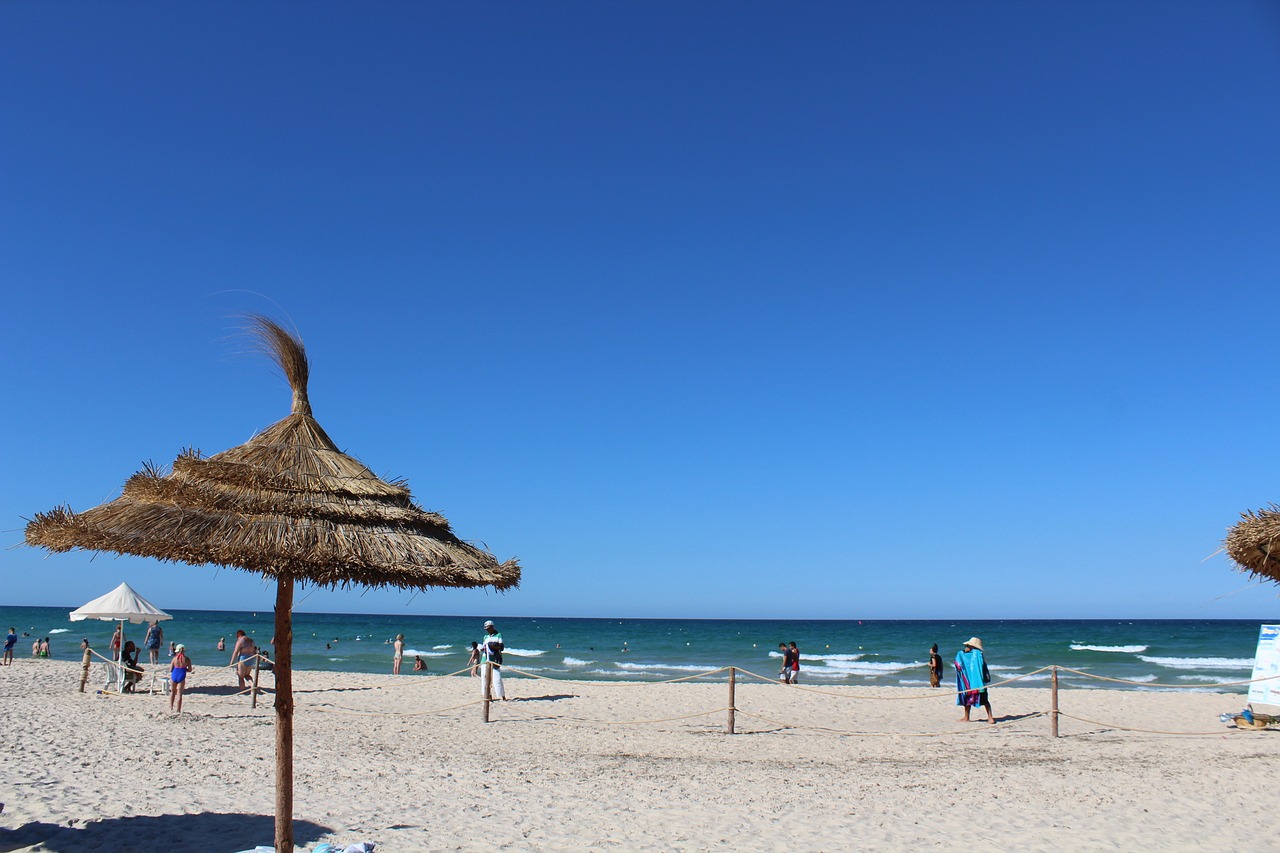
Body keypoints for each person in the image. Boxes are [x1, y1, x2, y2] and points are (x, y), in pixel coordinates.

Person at [955, 637, 994, 724]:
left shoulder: (978, 654)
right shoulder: (962, 655)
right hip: (968, 682)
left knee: (984, 700)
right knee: (967, 699)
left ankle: (990, 717)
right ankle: (966, 716)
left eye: (967, 645)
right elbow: (958, 665)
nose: (965, 647)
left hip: (978, 681)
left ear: (972, 646)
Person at [479, 620, 505, 700]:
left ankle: (502, 695)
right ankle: (487, 695)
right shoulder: (485, 637)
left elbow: (501, 647)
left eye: (488, 628)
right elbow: (484, 647)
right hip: (485, 659)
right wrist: (482, 648)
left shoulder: (499, 635)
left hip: (495, 659)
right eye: (486, 628)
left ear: (492, 627)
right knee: (484, 677)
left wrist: (491, 646)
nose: (487, 630)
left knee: (497, 678)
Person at [169, 644, 192, 714]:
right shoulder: (187, 659)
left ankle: (171, 707)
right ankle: (178, 710)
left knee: (172, 692)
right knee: (179, 694)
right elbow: (190, 669)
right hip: (181, 676)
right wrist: (185, 669)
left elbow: (170, 669)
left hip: (174, 675)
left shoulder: (174, 659)